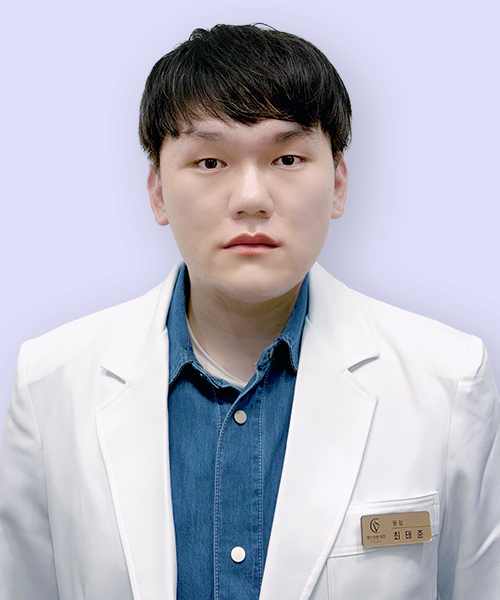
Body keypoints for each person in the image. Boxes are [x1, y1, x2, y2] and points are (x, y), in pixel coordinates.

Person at [0, 22, 499, 600]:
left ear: (338, 184)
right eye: (210, 162)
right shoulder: (52, 381)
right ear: (158, 192)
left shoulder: (449, 380)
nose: (251, 199)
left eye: (287, 158)